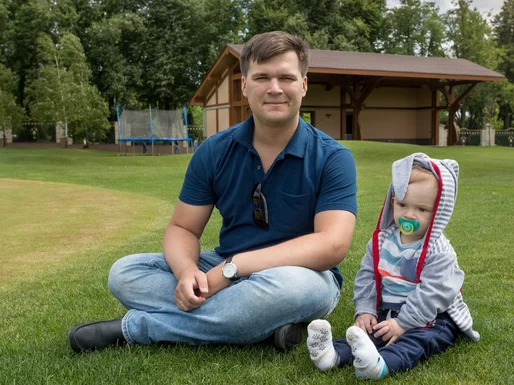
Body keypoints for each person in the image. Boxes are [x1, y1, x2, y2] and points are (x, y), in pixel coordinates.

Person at [68, 31, 357, 353]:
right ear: (245, 85)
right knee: (125, 272)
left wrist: (234, 270)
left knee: (292, 291)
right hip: (221, 265)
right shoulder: (214, 150)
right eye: (262, 77)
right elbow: (183, 227)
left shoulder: (333, 157)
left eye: (286, 78)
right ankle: (254, 323)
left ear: (303, 85)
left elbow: (331, 245)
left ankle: (136, 327)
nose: (274, 89)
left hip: (301, 276)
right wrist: (187, 272)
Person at [306, 152, 479, 380]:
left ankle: (381, 364)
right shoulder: (381, 241)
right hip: (389, 310)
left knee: (418, 340)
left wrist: (403, 323)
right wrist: (366, 310)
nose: (409, 214)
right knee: (369, 331)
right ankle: (333, 355)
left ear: (438, 212)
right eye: (403, 204)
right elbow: (367, 275)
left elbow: (432, 294)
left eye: (421, 209)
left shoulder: (439, 252)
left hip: (433, 316)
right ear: (392, 202)